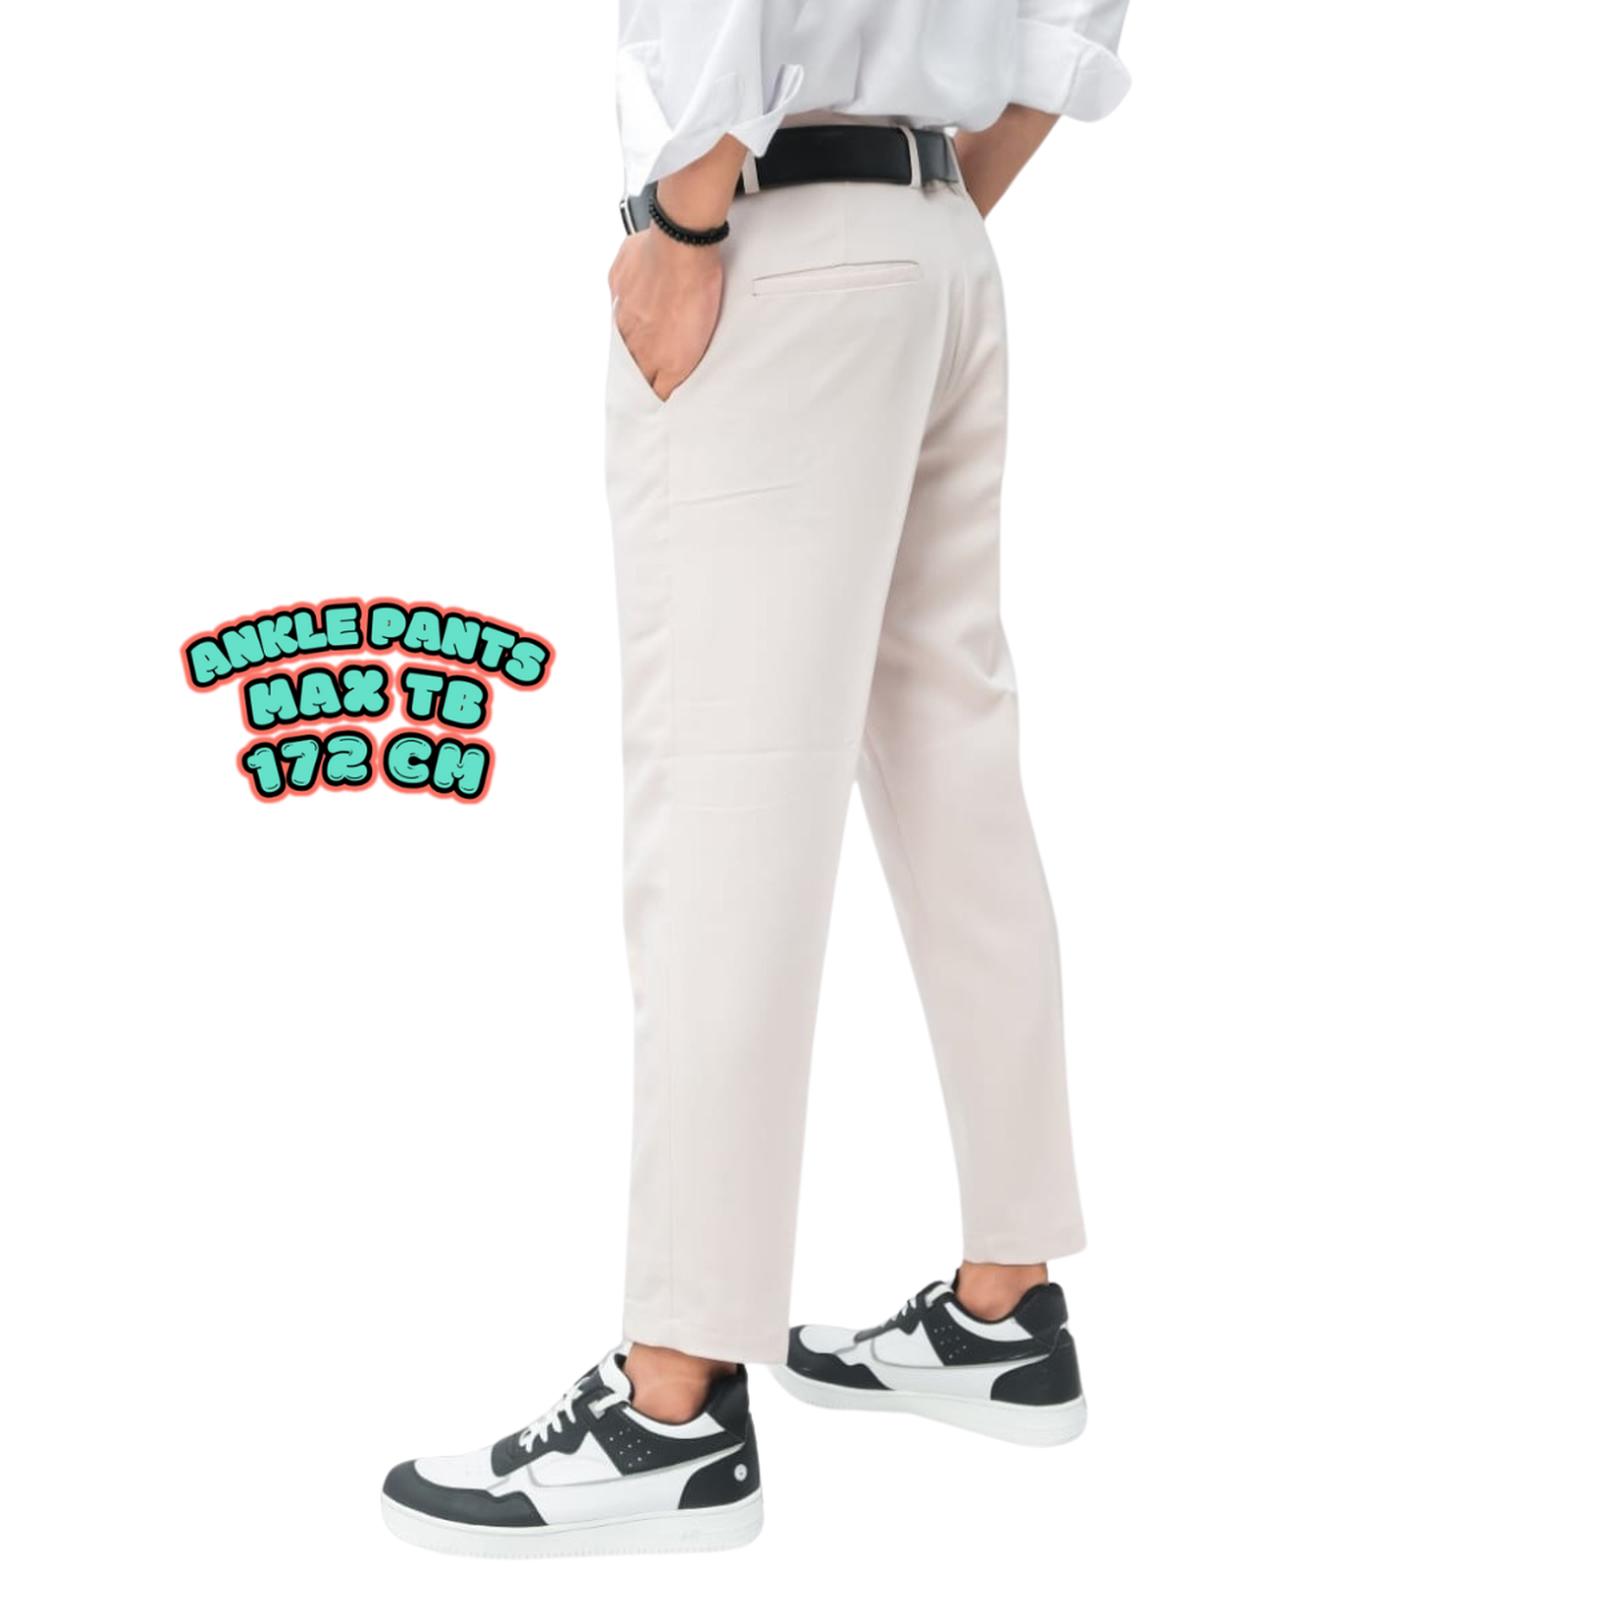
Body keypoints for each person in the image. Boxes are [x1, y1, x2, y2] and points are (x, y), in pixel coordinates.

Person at [381, 0, 1132, 1557]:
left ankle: (672, 1408)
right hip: (938, 240)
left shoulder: (728, 218)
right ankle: (1006, 1307)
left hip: (773, 238)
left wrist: (686, 216)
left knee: (722, 806)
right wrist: (930, 208)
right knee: (955, 774)